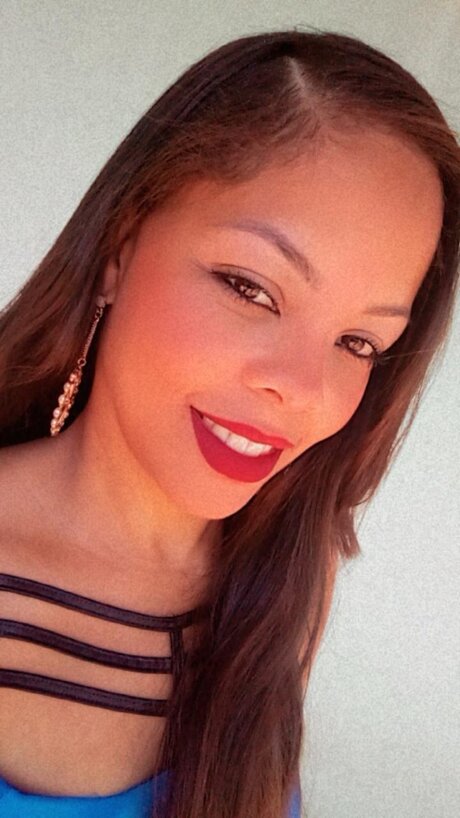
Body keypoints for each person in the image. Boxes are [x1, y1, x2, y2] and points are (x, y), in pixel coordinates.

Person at [0, 26, 458, 818]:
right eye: (251, 289)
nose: (301, 389)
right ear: (119, 249)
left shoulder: (286, 577)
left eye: (358, 342)